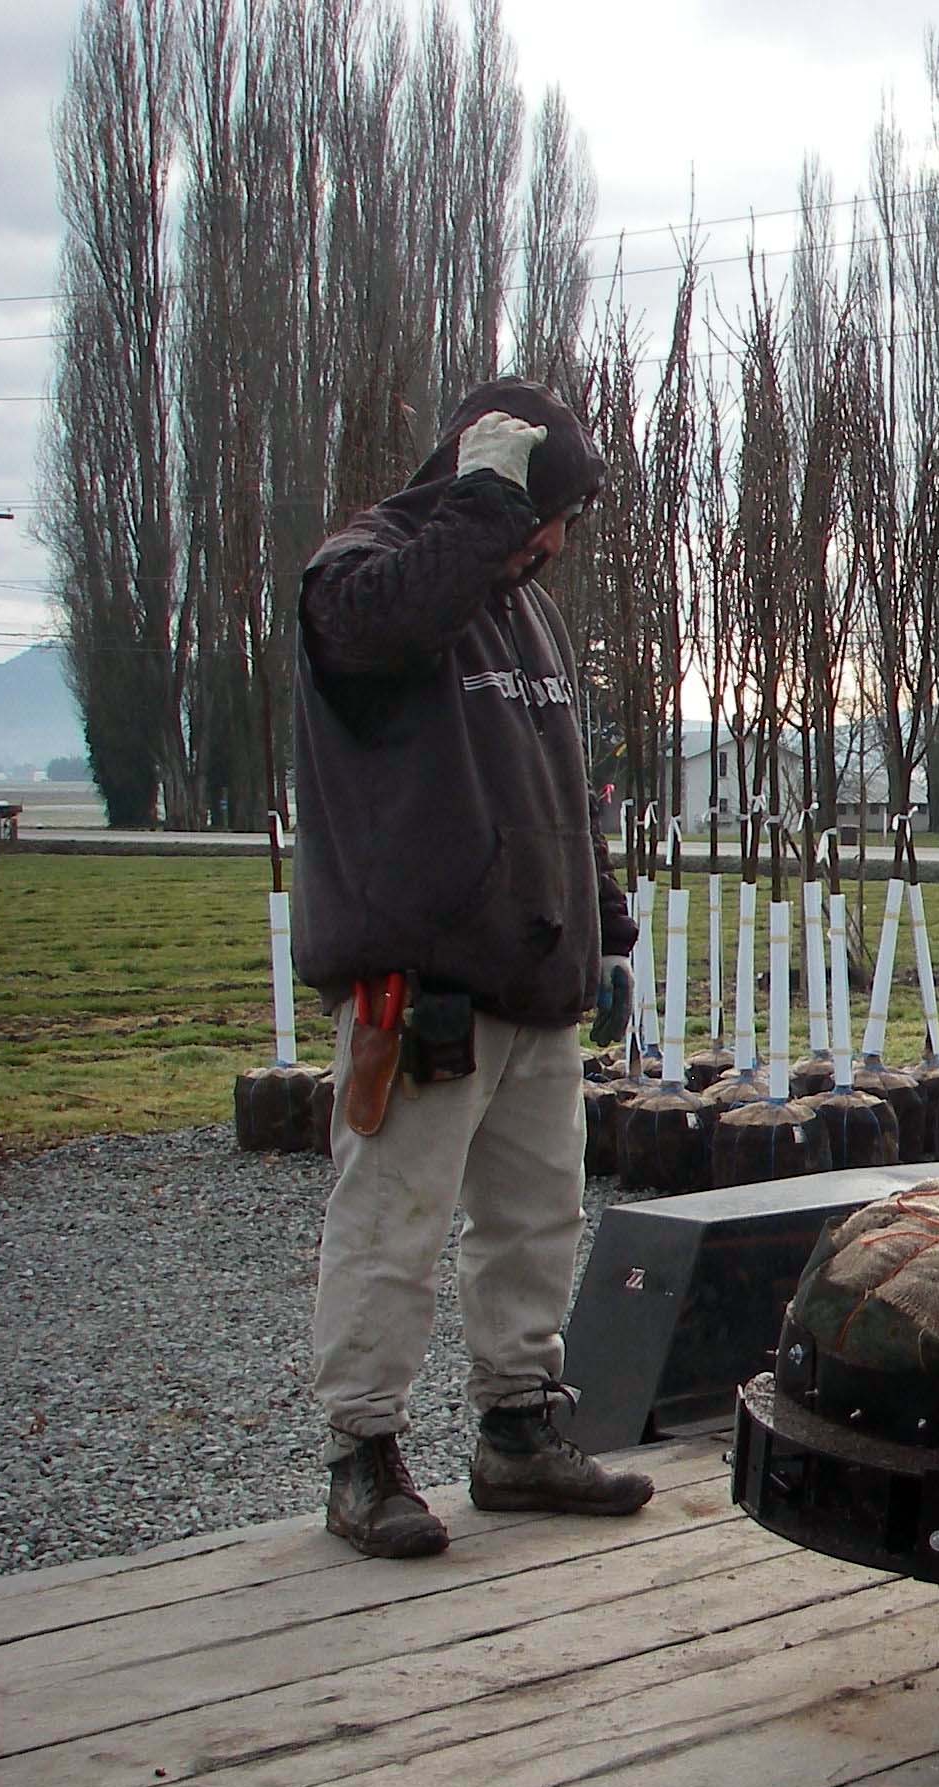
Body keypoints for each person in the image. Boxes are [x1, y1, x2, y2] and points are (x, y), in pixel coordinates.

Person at [291, 377, 648, 1558]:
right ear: (481, 481)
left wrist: (604, 933)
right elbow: (379, 628)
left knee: (537, 1219)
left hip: (532, 975)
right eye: (539, 512)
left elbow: (556, 787)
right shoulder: (368, 572)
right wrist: (482, 507)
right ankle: (363, 1452)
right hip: (425, 986)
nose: (549, 542)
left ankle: (515, 1431)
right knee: (394, 1223)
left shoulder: (519, 611)